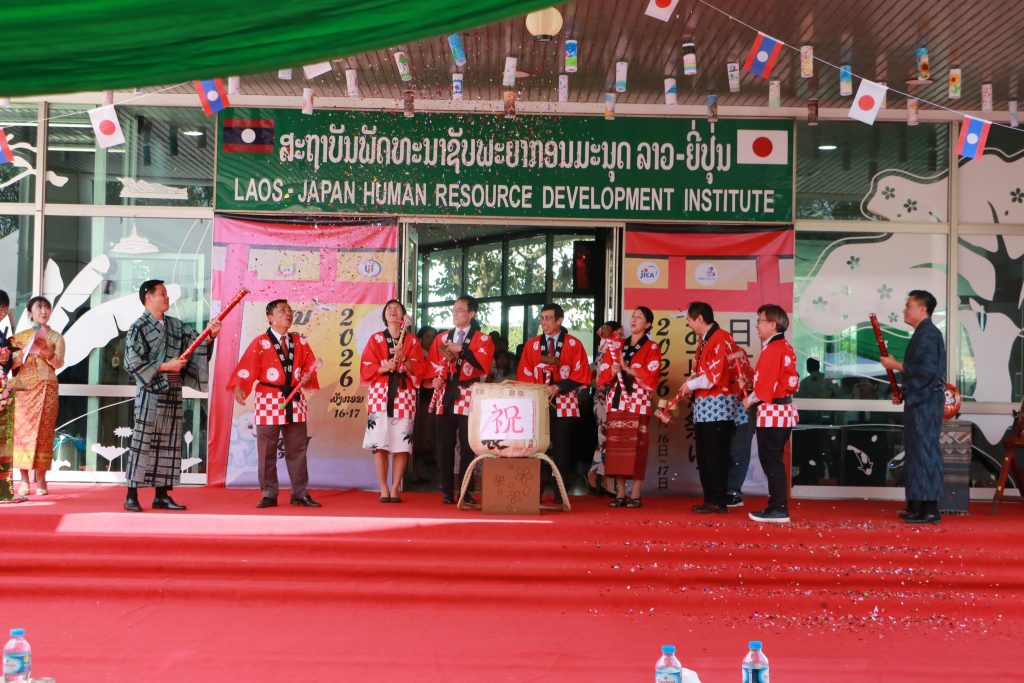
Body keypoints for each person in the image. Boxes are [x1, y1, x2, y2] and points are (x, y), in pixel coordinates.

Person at [123, 280, 220, 512]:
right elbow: (132, 362)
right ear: (148, 297)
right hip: (150, 391)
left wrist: (210, 336)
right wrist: (166, 366)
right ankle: (131, 495)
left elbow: (196, 344)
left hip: (173, 390)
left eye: (166, 294)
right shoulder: (138, 327)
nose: (167, 298)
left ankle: (162, 495)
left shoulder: (176, 325)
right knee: (142, 442)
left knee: (168, 444)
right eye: (162, 294)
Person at [229, 299, 321, 509]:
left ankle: (300, 493)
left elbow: (310, 367)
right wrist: (239, 387)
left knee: (298, 449)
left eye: (289, 310)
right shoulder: (261, 342)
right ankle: (269, 493)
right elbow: (246, 367)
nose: (287, 313)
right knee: (266, 450)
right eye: (282, 311)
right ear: (270, 317)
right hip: (269, 399)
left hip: (294, 399)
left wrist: (307, 376)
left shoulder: (299, 341)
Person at [515, 303, 593, 504]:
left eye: (548, 318)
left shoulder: (573, 344)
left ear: (559, 320)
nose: (544, 322)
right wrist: (542, 389)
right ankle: (534, 493)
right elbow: (523, 373)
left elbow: (582, 374)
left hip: (565, 401)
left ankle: (561, 495)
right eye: (542, 318)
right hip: (538, 402)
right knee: (535, 448)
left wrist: (558, 387)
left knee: (562, 450)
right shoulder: (532, 344)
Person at [880, 290, 946, 525]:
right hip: (919, 401)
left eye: (908, 306)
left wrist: (896, 364)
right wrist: (903, 392)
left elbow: (927, 372)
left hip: (927, 404)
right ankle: (918, 505)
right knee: (917, 453)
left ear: (922, 309)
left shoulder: (929, 334)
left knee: (926, 452)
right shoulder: (922, 333)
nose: (904, 310)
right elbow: (919, 373)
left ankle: (930, 509)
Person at [424, 295, 494, 504]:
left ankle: (466, 490)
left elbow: (483, 365)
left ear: (471, 314)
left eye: (460, 310)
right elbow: (432, 365)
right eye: (453, 310)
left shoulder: (483, 339)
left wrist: (461, 350)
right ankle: (446, 490)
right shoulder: (442, 337)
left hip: (469, 392)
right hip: (446, 392)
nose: (455, 313)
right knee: (445, 444)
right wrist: (434, 380)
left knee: (467, 445)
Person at [677, 302, 746, 514]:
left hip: (718, 407)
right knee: (705, 455)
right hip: (704, 406)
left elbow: (714, 376)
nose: (688, 324)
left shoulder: (721, 338)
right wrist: (690, 383)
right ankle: (710, 498)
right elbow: (701, 373)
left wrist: (690, 385)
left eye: (689, 320)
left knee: (716, 455)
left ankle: (717, 500)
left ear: (699, 318)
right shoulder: (705, 341)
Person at [359, 300, 425, 503]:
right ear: (384, 315)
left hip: (404, 394)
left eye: (397, 308)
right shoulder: (376, 339)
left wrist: (404, 359)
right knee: (380, 444)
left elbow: (420, 369)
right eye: (389, 308)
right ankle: (383, 487)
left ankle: (395, 487)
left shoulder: (412, 340)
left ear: (403, 316)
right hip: (380, 393)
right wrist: (383, 367)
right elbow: (365, 366)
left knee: (402, 444)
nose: (393, 311)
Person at [597, 307, 662, 508]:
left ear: (648, 324)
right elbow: (604, 371)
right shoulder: (617, 344)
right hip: (617, 399)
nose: (634, 319)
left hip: (638, 400)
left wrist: (628, 369)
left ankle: (635, 493)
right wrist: (613, 370)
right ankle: (620, 492)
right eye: (633, 316)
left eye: (639, 317)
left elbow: (652, 374)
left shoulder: (652, 347)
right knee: (617, 446)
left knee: (638, 446)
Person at [742, 304, 800, 523]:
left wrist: (749, 400)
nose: (757, 325)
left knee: (771, 460)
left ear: (773, 324)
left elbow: (765, 386)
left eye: (760, 321)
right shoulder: (782, 346)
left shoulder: (774, 349)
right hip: (781, 411)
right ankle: (777, 505)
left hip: (774, 411)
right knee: (773, 460)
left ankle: (778, 507)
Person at [11, 296, 65, 497]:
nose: (43, 311)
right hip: (24, 390)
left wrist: (45, 350)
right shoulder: (20, 337)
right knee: (22, 434)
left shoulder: (56, 337)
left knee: (44, 434)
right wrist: (21, 352)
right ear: (30, 312)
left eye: (47, 307)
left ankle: (41, 478)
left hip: (46, 389)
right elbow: (12, 365)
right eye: (39, 307)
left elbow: (59, 363)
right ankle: (24, 480)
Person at [587, 320, 621, 497]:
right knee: (605, 438)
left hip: (614, 399)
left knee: (609, 439)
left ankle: (600, 475)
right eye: (618, 334)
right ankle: (597, 475)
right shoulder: (605, 350)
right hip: (603, 399)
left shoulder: (613, 350)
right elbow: (593, 377)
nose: (620, 337)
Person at [0, 291, 16, 501]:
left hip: (3, 388)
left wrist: (9, 357)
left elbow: (8, 365)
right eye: (0, 308)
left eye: (5, 308)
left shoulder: (3, 334)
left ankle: (4, 489)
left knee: (3, 441)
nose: (3, 312)